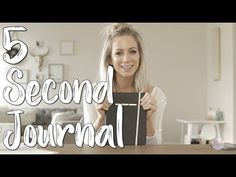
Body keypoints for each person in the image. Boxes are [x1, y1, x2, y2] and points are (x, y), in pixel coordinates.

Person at [83, 23, 167, 144]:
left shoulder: (156, 96)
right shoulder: (92, 94)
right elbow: (86, 144)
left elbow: (155, 146)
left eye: (132, 51)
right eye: (119, 53)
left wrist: (147, 119)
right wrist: (100, 119)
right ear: (109, 59)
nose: (127, 59)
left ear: (140, 56)